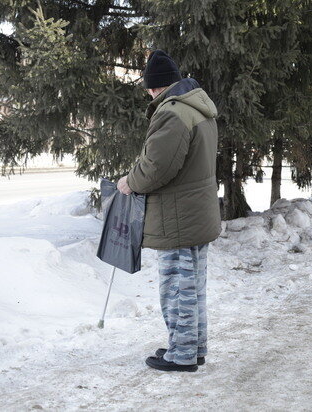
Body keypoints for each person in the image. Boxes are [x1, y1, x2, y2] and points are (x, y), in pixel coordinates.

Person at [117, 50, 221, 372]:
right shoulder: (198, 108)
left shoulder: (172, 113)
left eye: (149, 87)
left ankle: (183, 355)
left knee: (177, 290)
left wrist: (129, 183)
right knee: (192, 289)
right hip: (195, 213)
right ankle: (192, 347)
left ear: (155, 87)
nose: (149, 93)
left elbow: (156, 167)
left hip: (177, 218)